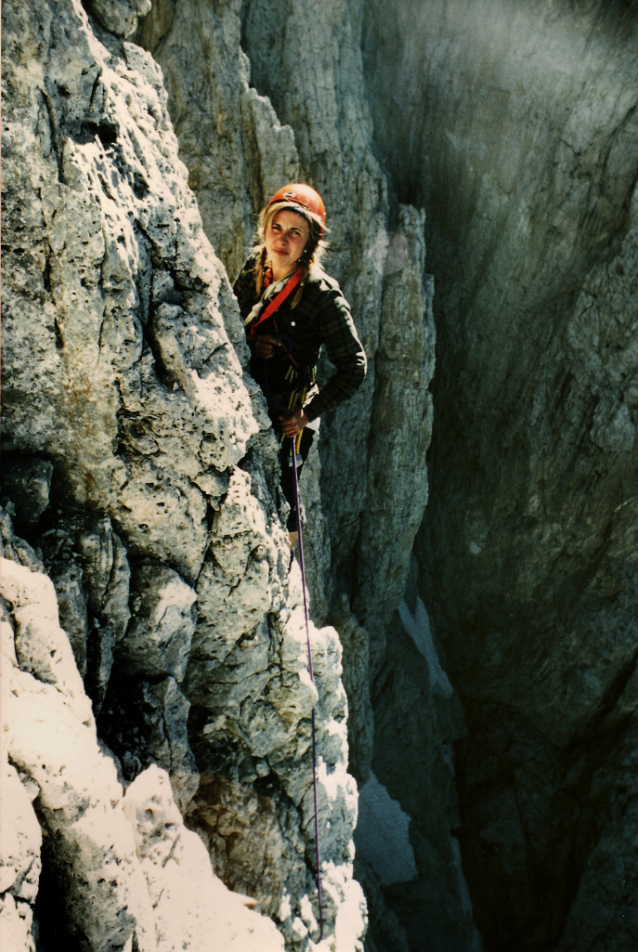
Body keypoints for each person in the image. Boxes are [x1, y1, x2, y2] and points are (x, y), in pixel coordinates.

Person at [234, 183, 367, 548]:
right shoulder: (254, 269)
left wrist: (307, 414)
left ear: (309, 242)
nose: (282, 239)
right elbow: (229, 321)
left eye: (296, 232)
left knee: (287, 500)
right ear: (265, 227)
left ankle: (287, 568)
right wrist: (249, 341)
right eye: (277, 227)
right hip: (250, 395)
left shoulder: (322, 296)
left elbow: (354, 366)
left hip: (289, 414)